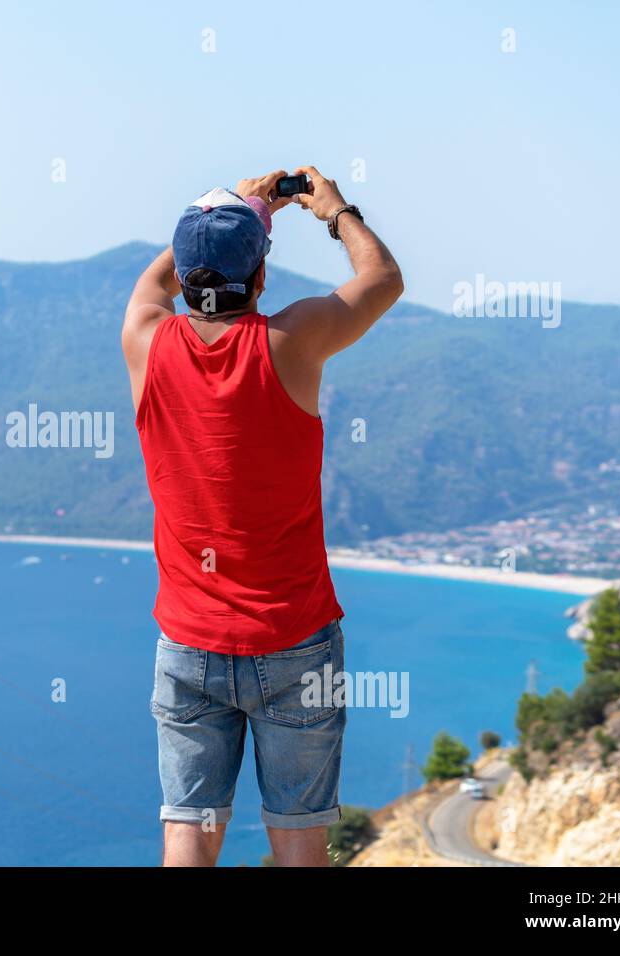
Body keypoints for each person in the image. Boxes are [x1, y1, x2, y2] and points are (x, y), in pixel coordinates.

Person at [121, 167, 403, 866]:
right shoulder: (292, 341)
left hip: (189, 646)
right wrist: (332, 211)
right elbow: (384, 278)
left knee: (188, 830)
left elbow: (151, 289)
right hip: (296, 641)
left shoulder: (146, 342)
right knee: (300, 837)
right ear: (264, 278)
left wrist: (241, 209)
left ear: (185, 277)